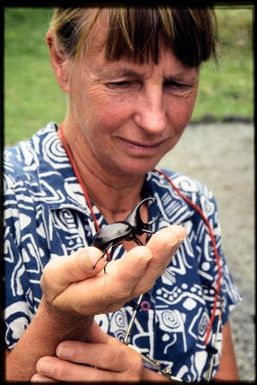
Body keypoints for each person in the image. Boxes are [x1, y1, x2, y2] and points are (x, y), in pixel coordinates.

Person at [4, 6, 241, 382]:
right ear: (60, 59)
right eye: (122, 82)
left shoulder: (194, 206)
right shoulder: (9, 200)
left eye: (178, 84)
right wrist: (59, 320)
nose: (155, 121)